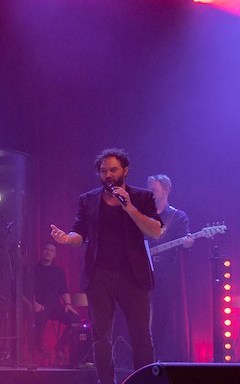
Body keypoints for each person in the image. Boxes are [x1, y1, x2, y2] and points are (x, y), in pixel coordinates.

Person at [51, 148, 162, 384]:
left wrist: (129, 207)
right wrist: (67, 239)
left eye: (113, 170)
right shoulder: (88, 199)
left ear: (125, 171)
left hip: (134, 275)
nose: (108, 175)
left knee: (141, 335)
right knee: (101, 337)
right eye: (104, 171)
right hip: (99, 275)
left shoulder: (142, 197)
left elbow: (155, 231)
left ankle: (144, 382)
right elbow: (79, 232)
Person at [147, 174, 192, 361]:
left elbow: (185, 239)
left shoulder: (178, 216)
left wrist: (187, 242)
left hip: (166, 275)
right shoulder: (143, 214)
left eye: (154, 190)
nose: (150, 193)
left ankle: (159, 358)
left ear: (166, 189)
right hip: (142, 271)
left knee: (161, 316)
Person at [24, 242, 80, 363]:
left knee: (76, 320)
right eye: (46, 249)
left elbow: (64, 289)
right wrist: (33, 303)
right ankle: (38, 349)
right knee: (38, 320)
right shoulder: (33, 269)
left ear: (55, 255)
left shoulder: (59, 271)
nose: (48, 252)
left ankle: (60, 348)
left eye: (51, 250)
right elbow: (27, 289)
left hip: (56, 306)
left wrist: (68, 305)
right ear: (42, 251)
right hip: (40, 306)